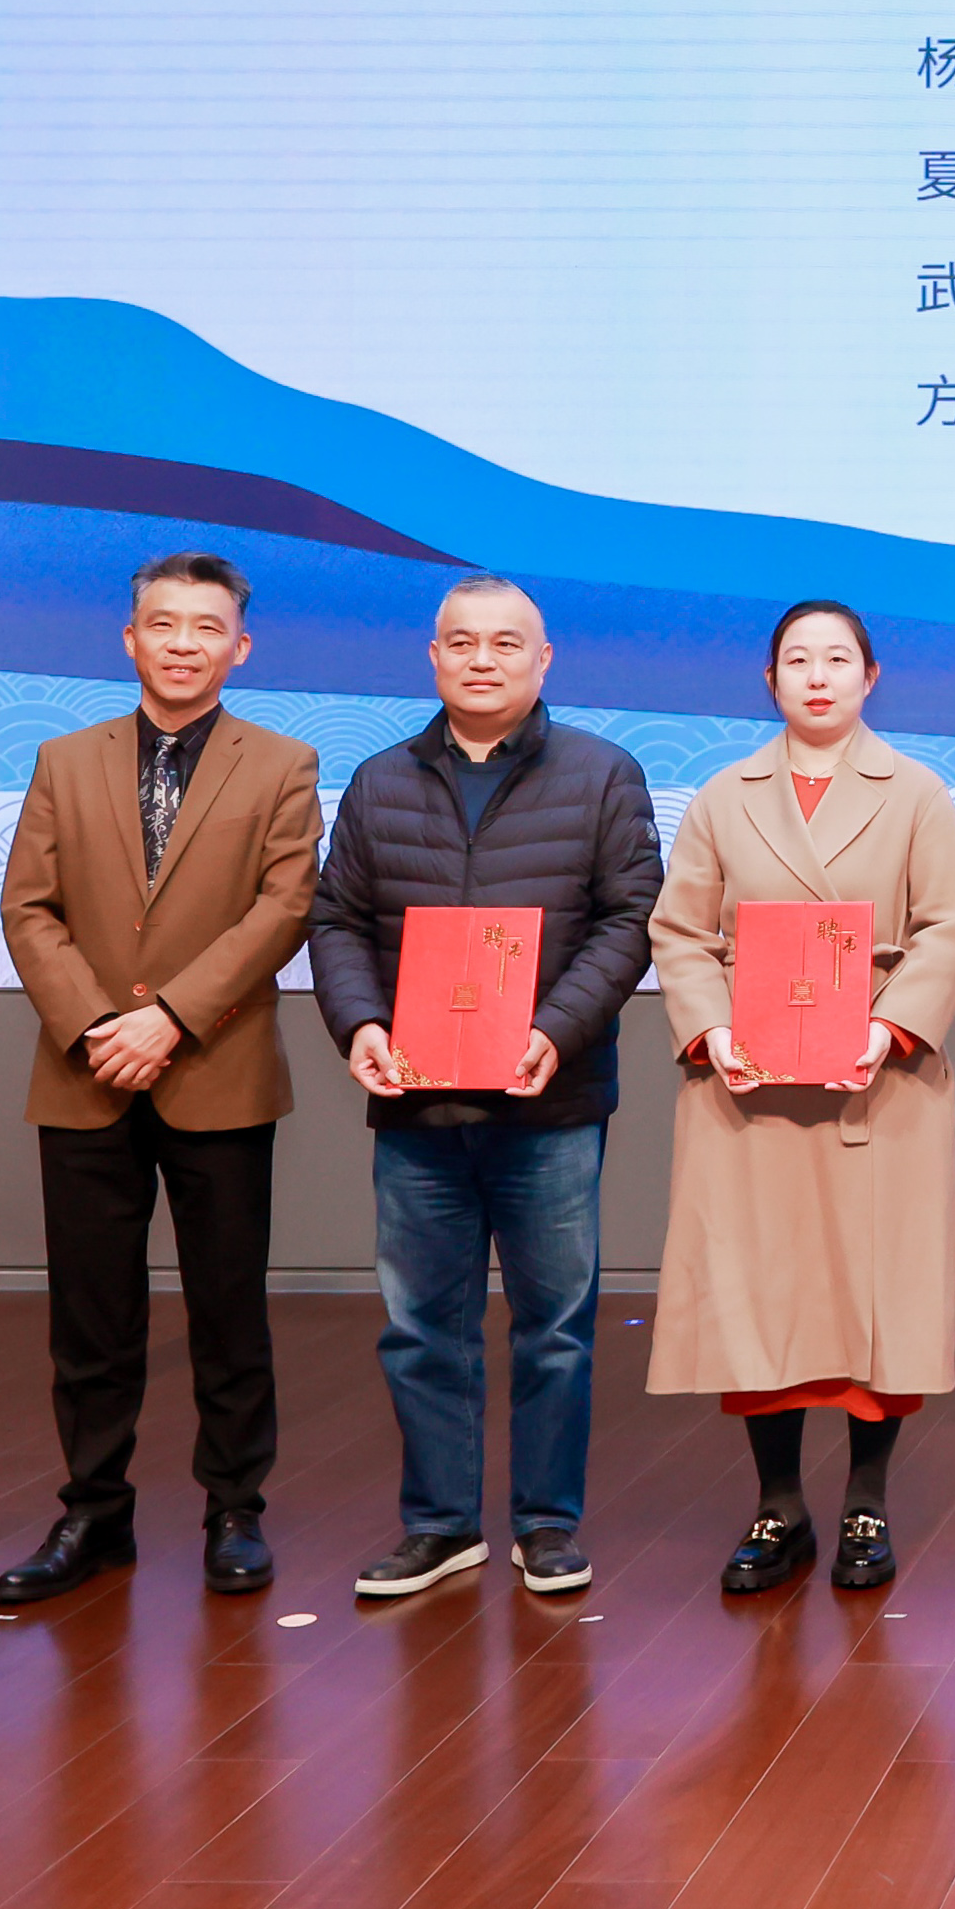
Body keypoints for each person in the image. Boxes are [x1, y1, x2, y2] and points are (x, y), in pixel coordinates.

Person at [309, 576, 661, 1599]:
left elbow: (630, 917)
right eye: (461, 641)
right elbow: (335, 919)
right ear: (433, 655)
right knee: (422, 1325)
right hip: (415, 1101)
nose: (482, 659)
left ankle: (548, 1523)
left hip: (548, 1097)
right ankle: (440, 1523)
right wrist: (359, 1024)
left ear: (543, 659)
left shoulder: (601, 773)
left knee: (555, 1326)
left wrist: (555, 1029)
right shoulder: (379, 780)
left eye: (506, 642)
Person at [0, 552, 324, 1606]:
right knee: (90, 1314)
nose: (184, 643)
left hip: (217, 1067)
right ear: (130, 638)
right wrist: (100, 1024)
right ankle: (93, 1511)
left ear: (241, 646)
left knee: (228, 1308)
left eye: (206, 626)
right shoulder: (61, 759)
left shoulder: (285, 763)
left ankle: (234, 1508)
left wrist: (170, 1016)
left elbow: (283, 908)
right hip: (85, 1070)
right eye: (164, 623)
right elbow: (27, 907)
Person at [646, 600, 955, 1595]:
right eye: (798, 659)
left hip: (877, 1078)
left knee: (878, 1296)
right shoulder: (723, 794)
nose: (818, 675)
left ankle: (867, 1500)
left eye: (838, 658)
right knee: (761, 1295)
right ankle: (778, 1503)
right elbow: (679, 931)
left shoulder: (915, 790)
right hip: (750, 1083)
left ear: (870, 676)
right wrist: (712, 1029)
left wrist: (885, 1026)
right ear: (770, 679)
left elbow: (949, 925)